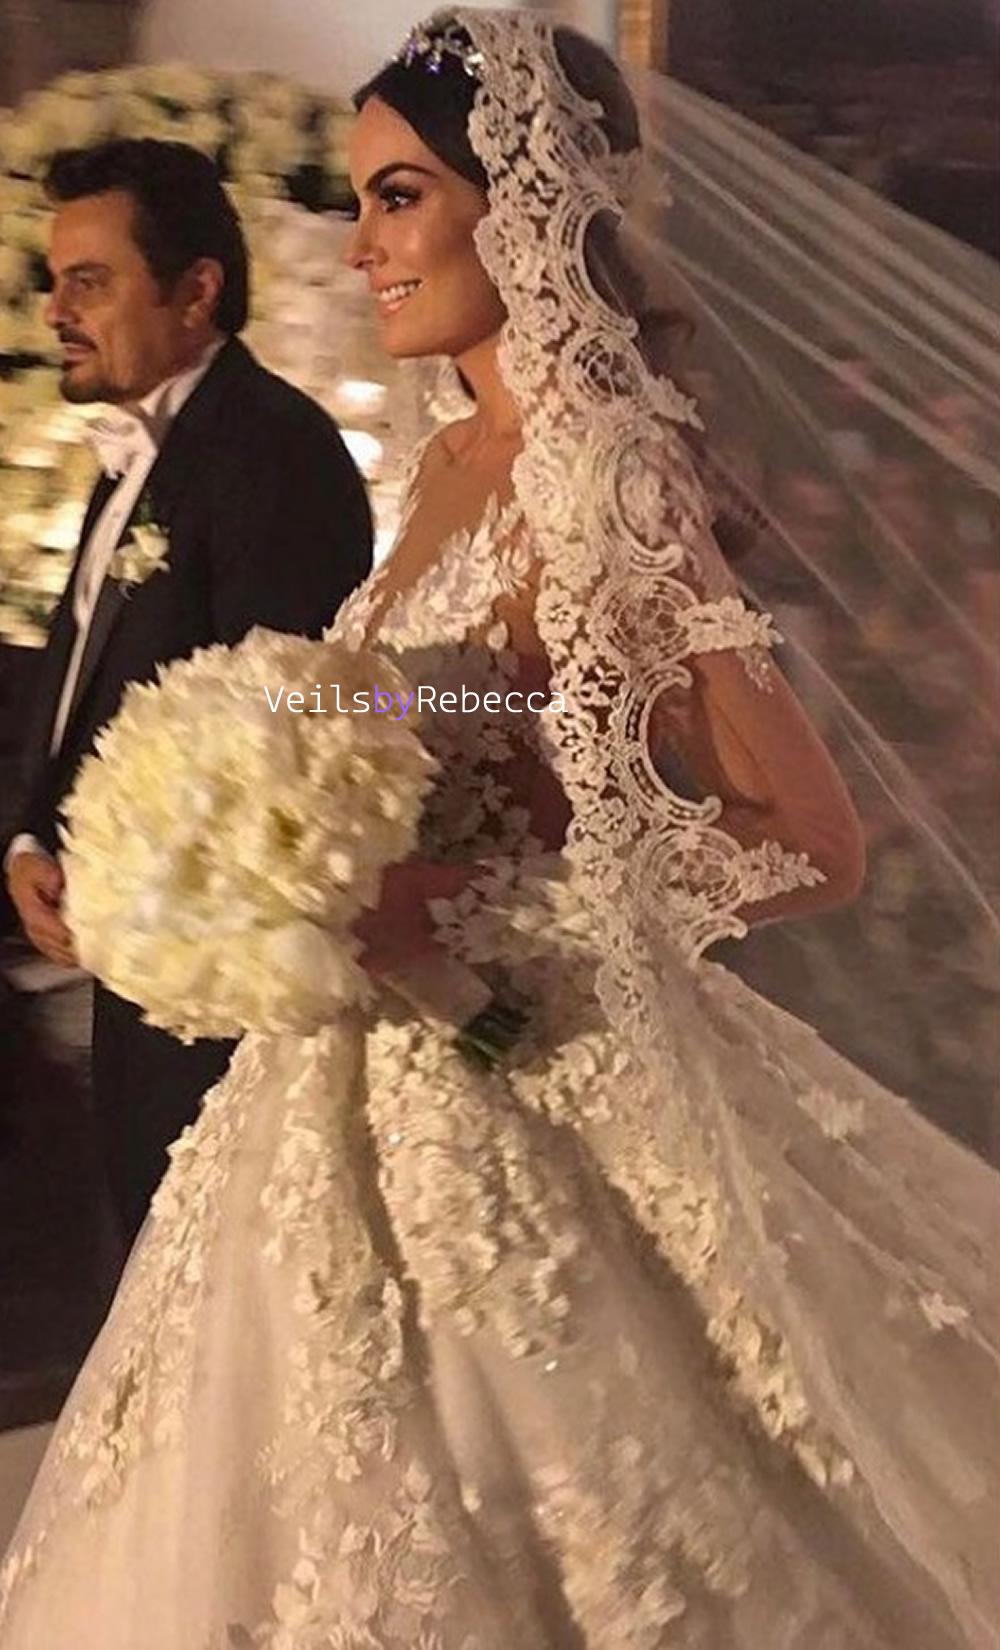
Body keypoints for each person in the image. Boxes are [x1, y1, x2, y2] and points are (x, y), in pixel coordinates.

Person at [1, 14, 996, 1647]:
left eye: (398, 197)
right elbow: (447, 713)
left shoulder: (604, 477)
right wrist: (245, 813)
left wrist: (458, 911)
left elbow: (810, 838)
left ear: (524, 210)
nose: (363, 245)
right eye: (361, 203)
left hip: (521, 1073)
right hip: (339, 1083)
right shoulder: (437, 465)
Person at [2, 139, 373, 1243]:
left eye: (90, 280)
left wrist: (146, 890)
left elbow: (286, 735)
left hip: (219, 1001)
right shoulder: (133, 453)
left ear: (196, 290)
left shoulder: (274, 453)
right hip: (121, 973)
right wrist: (28, 840)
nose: (57, 311)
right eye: (55, 281)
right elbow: (78, 685)